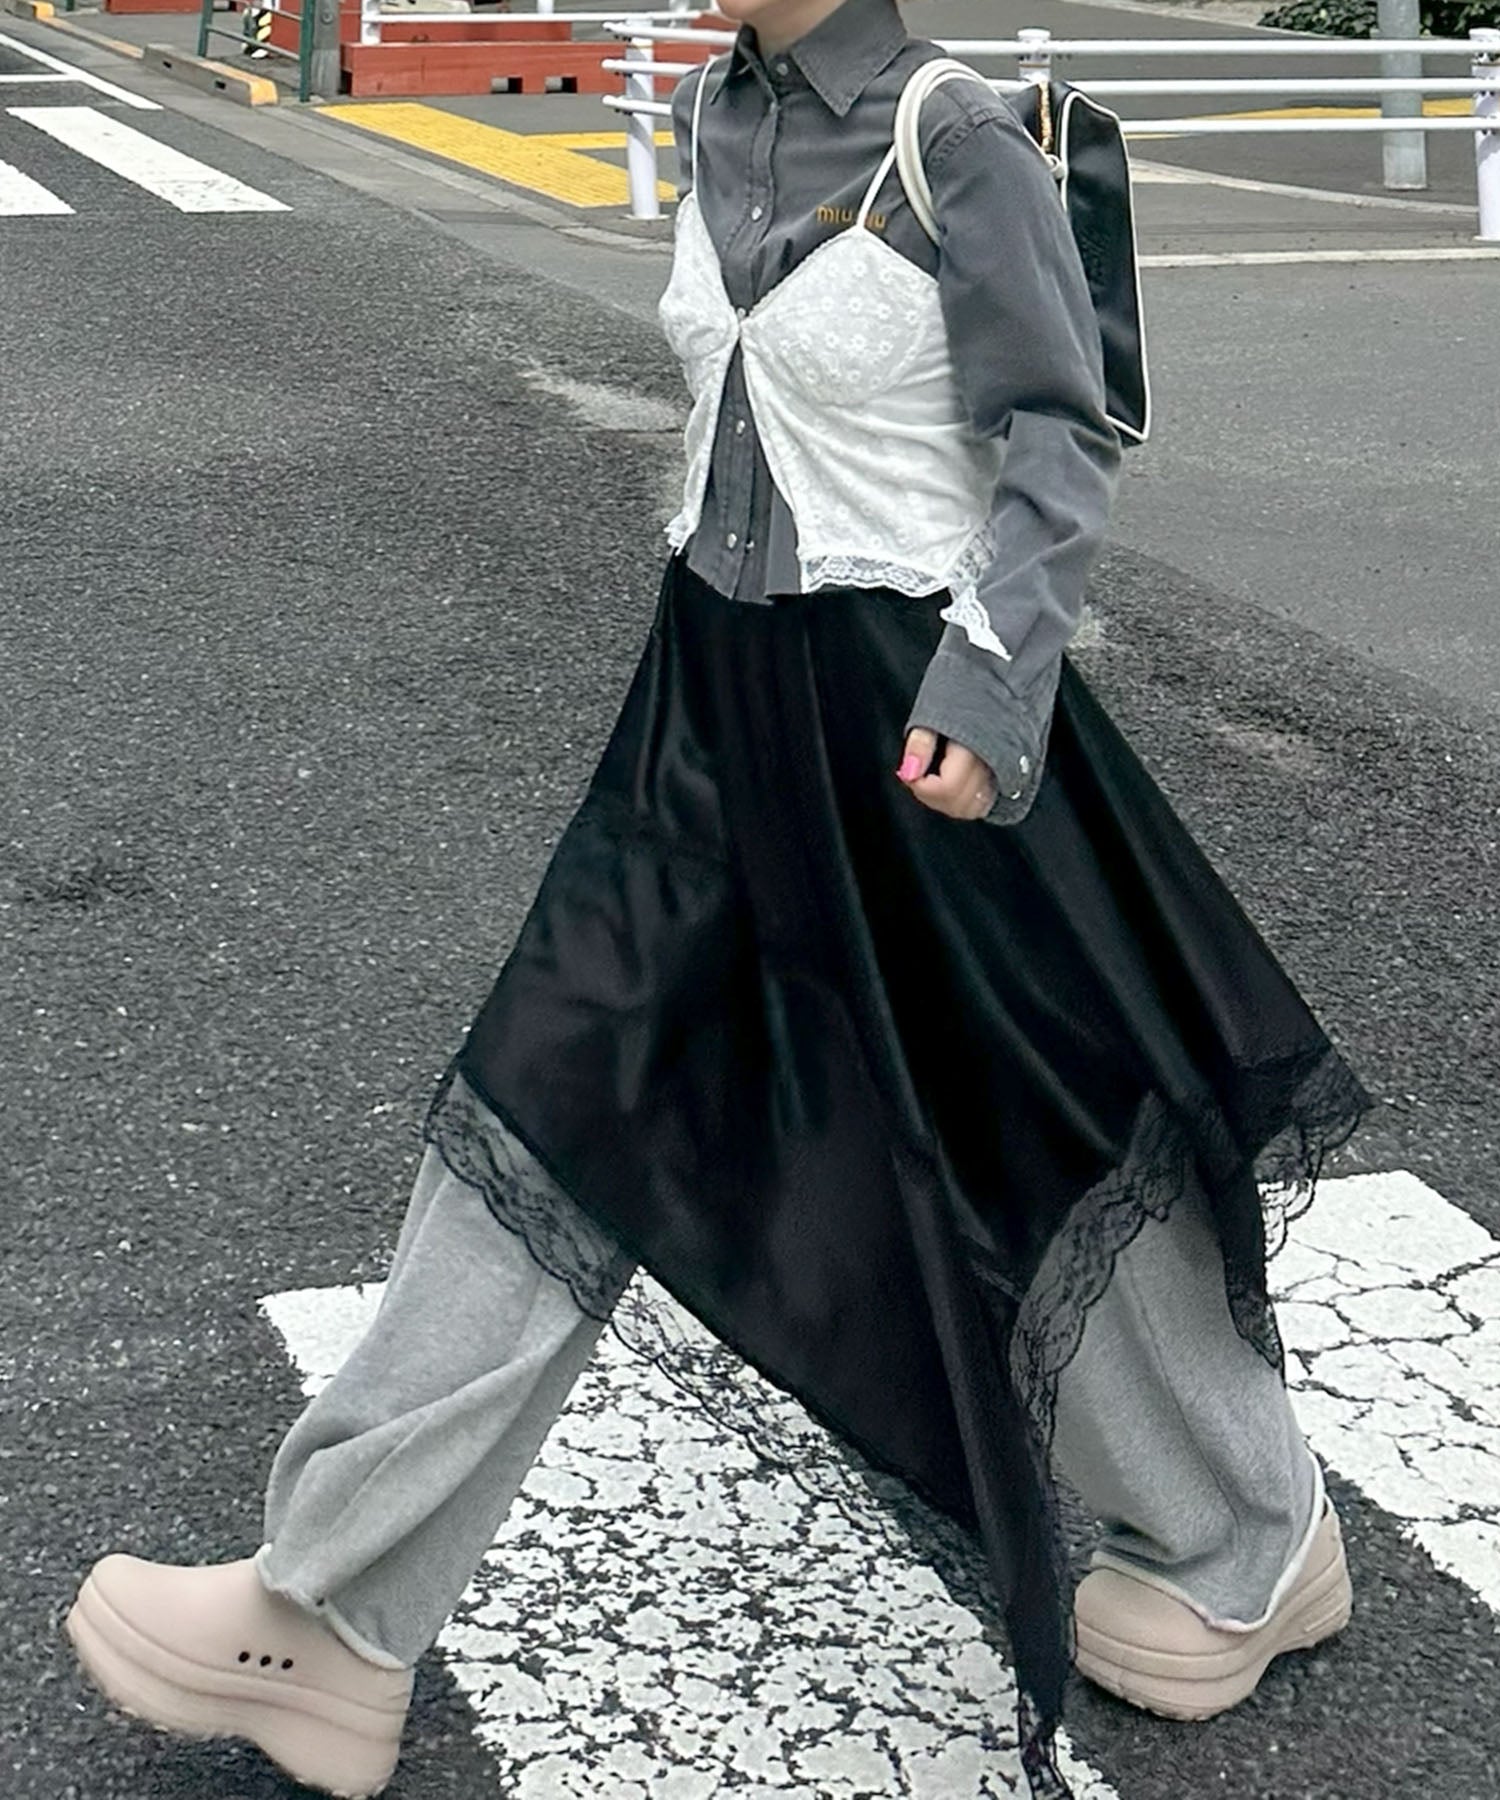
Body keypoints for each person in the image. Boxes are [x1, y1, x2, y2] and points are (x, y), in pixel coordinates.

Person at [63, 1, 1368, 1795]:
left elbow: (1064, 435)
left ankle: (1248, 1535)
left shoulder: (953, 138)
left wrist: (993, 690)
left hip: (915, 724)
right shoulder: (715, 113)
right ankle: (330, 1614)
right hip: (709, 706)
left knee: (1046, 1128)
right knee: (552, 1087)